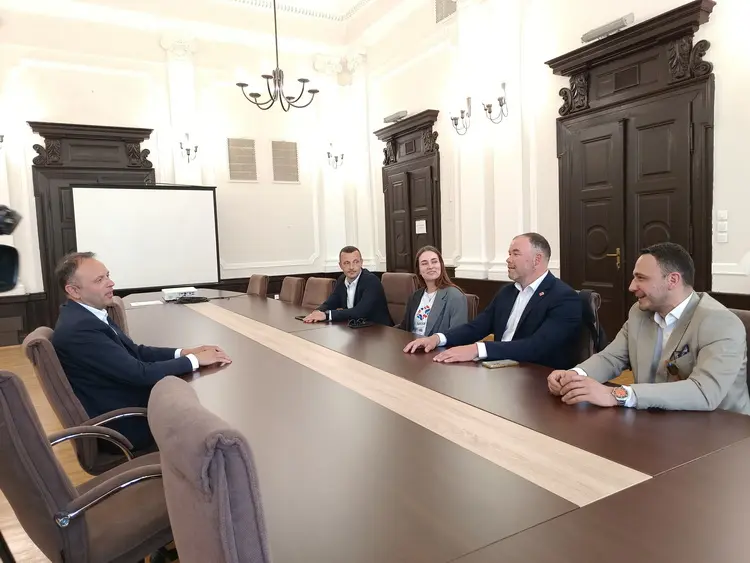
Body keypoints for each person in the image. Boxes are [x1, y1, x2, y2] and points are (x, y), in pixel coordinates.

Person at [51, 252, 232, 450]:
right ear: (74, 290)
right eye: (99, 280)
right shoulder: (80, 329)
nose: (111, 283)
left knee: (197, 404)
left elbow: (135, 352)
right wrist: (194, 361)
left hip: (130, 407)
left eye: (108, 276)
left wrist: (184, 352)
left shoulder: (87, 314)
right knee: (208, 420)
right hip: (126, 426)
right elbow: (140, 373)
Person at [548, 242, 750, 414]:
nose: (631, 286)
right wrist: (574, 377)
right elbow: (611, 358)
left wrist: (617, 394)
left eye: (641, 278)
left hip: (720, 432)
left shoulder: (721, 323)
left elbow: (705, 392)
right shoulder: (639, 313)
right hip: (654, 421)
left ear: (672, 280)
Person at [403, 233, 581, 368]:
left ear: (537, 259)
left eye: (515, 254)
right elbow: (476, 327)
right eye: (509, 253)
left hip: (536, 378)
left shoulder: (564, 298)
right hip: (498, 371)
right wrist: (437, 338)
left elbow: (537, 346)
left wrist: (478, 349)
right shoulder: (507, 293)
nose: (508, 259)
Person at [303, 245, 392, 326]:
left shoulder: (371, 281)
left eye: (355, 262)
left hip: (379, 330)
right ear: (340, 265)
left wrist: (326, 315)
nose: (351, 267)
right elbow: (331, 302)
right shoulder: (342, 280)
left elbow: (359, 312)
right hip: (356, 328)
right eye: (346, 263)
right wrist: (317, 312)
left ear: (361, 263)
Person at [398, 246, 467, 336]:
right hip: (411, 343)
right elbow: (404, 328)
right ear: (419, 270)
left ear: (441, 265)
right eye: (424, 263)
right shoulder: (415, 296)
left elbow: (458, 335)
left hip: (438, 345)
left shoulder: (455, 296)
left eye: (434, 262)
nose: (430, 266)